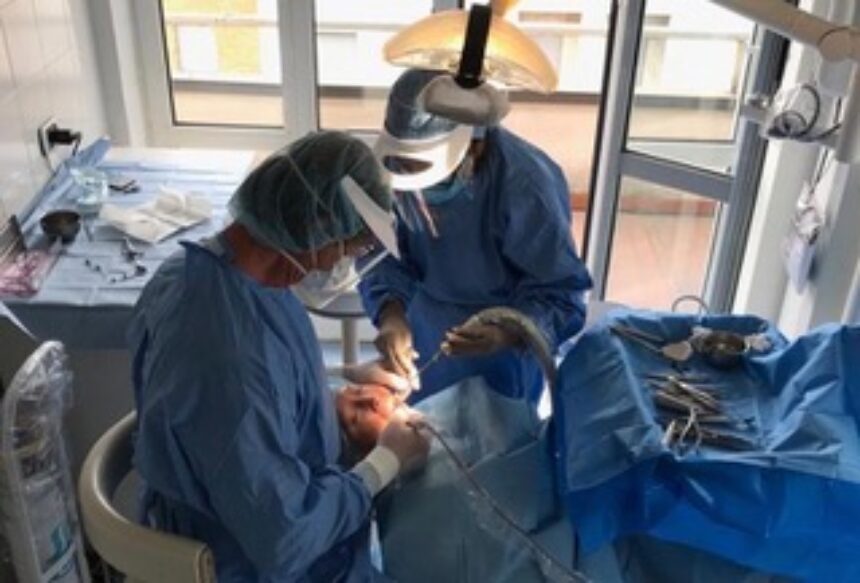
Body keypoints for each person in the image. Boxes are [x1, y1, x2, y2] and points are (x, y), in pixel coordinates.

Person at [129, 130, 430, 582]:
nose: (337, 266)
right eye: (347, 250)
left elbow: (234, 408)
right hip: (244, 561)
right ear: (318, 224)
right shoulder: (230, 356)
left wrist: (330, 397)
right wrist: (384, 463)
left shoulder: (207, 271)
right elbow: (285, 539)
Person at [361, 68, 593, 403]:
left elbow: (561, 295)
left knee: (496, 432)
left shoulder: (526, 186)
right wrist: (391, 315)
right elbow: (380, 254)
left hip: (501, 358)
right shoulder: (394, 168)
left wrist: (507, 333)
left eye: (427, 172)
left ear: (475, 146)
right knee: (421, 425)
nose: (416, 184)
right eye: (405, 167)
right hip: (424, 328)